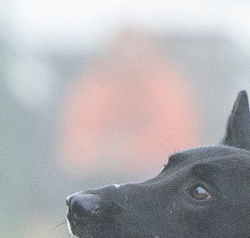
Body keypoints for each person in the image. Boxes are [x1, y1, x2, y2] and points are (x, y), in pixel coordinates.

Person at [56, 28, 198, 187]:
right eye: (122, 54)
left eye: (137, 53)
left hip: (153, 178)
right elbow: (74, 146)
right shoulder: (96, 85)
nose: (129, 58)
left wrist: (130, 152)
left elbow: (177, 143)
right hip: (99, 178)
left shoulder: (166, 86)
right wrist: (104, 152)